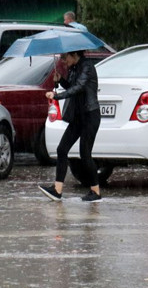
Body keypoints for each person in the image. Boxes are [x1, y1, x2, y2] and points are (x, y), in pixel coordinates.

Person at [38, 50, 102, 202]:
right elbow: (72, 87)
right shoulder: (74, 68)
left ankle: (95, 191)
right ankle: (57, 189)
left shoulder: (87, 67)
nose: (63, 61)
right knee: (62, 149)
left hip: (90, 115)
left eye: (65, 57)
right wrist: (60, 80)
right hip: (78, 116)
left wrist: (57, 96)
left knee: (85, 154)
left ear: (74, 55)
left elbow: (79, 87)